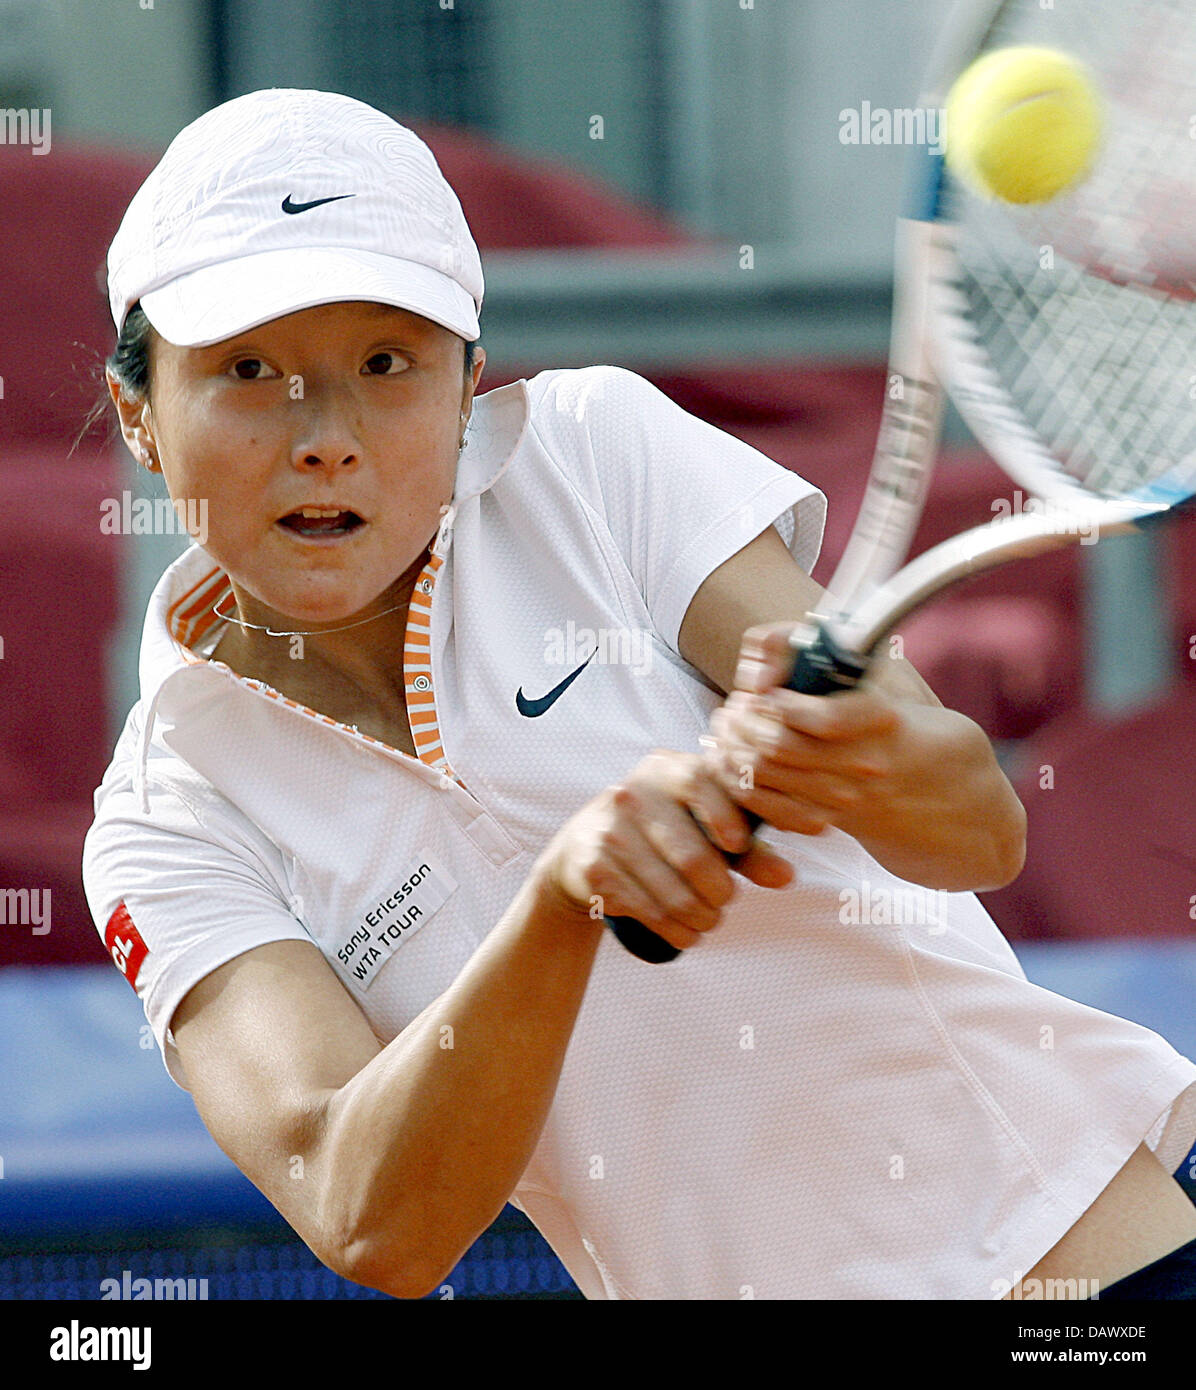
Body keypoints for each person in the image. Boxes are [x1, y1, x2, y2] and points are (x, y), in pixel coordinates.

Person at [83, 88, 1196, 1301]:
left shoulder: (593, 454)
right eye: (248, 370)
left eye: (385, 362)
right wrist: (563, 904)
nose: (325, 436)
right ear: (141, 413)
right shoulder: (163, 824)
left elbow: (976, 830)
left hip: (1099, 1271)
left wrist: (850, 753)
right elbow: (372, 1220)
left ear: (467, 386)